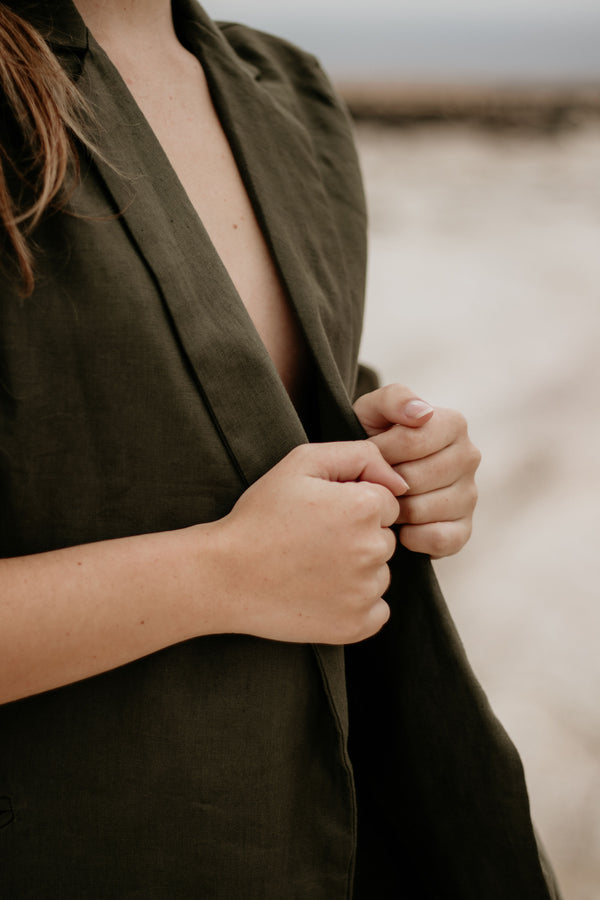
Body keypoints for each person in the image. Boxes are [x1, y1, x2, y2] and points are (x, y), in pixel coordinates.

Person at [0, 1, 560, 897]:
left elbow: (254, 408)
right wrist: (219, 571)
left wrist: (415, 467)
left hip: (354, 836)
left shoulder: (288, 91)